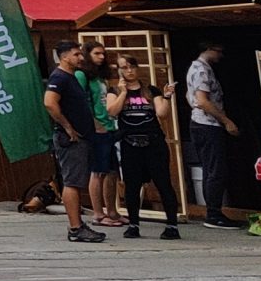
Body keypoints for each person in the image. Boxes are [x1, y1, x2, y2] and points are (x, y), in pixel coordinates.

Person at [114, 60, 182, 240]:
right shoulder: (114, 91)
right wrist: (122, 93)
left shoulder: (151, 91)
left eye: (132, 67)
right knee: (132, 185)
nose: (129, 71)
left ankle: (172, 225)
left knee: (163, 183)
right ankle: (133, 224)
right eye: (124, 67)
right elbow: (112, 111)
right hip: (129, 142)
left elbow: (162, 114)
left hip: (153, 142)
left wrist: (166, 96)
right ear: (119, 71)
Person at [44, 38, 105, 242]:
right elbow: (50, 103)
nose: (80, 57)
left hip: (83, 136)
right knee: (72, 181)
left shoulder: (71, 77)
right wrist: (67, 126)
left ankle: (78, 224)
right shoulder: (59, 77)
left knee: (77, 180)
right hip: (69, 138)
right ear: (64, 57)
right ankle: (75, 227)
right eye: (76, 54)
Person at [186, 39, 243, 228]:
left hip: (200, 122)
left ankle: (213, 211)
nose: (220, 55)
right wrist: (226, 121)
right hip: (207, 124)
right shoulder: (201, 70)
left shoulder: (195, 68)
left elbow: (191, 98)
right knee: (215, 169)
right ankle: (213, 213)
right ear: (208, 49)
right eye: (218, 50)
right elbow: (202, 100)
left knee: (211, 169)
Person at [82, 41, 122, 230]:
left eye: (103, 54)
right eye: (97, 53)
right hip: (97, 128)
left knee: (112, 171)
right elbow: (82, 101)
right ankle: (98, 213)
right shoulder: (83, 75)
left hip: (109, 125)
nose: (101, 57)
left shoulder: (100, 77)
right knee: (98, 171)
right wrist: (94, 123)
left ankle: (112, 210)